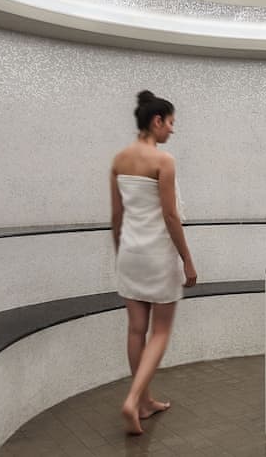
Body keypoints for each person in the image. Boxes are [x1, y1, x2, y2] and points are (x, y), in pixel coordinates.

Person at [110, 90, 198, 435]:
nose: (172, 130)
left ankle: (145, 402)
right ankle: (133, 399)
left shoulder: (119, 160)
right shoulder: (164, 161)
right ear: (157, 120)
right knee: (160, 331)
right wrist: (187, 260)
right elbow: (171, 216)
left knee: (136, 330)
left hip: (130, 254)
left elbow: (116, 217)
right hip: (158, 256)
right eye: (171, 122)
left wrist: (120, 253)